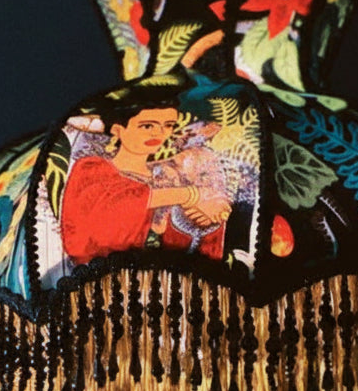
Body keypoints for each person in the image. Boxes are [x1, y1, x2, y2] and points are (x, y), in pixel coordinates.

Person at [60, 96, 231, 266]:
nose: (159, 133)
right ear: (118, 130)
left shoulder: (169, 174)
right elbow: (110, 211)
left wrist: (204, 220)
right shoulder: (91, 168)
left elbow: (181, 240)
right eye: (147, 126)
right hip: (102, 276)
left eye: (168, 125)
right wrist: (190, 195)